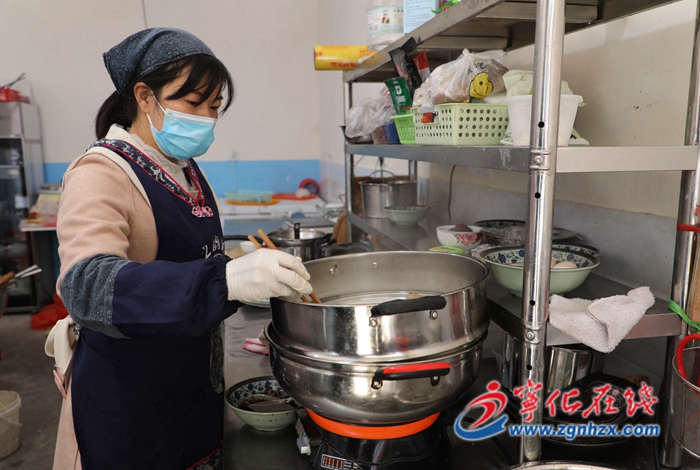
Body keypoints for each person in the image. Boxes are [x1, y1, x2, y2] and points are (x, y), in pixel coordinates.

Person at [50, 27, 312, 470]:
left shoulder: (183, 168)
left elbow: (192, 260)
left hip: (190, 387)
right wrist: (226, 280)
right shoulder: (100, 172)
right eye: (193, 103)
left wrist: (241, 268)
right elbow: (87, 286)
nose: (207, 118)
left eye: (214, 106)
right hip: (132, 404)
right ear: (144, 96)